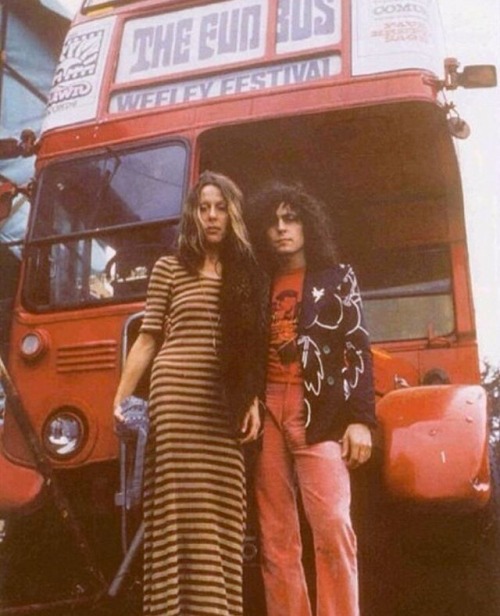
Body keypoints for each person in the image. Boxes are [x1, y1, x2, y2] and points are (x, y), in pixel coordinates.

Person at [113, 171, 267, 616]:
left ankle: (216, 608)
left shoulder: (249, 273)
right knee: (177, 506)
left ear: (233, 213)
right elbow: (147, 338)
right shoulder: (169, 267)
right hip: (175, 395)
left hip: (224, 405)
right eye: (204, 208)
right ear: (193, 215)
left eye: (221, 207)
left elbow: (254, 347)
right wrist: (120, 400)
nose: (212, 216)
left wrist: (252, 399)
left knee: (223, 505)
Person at [246, 181, 377, 616]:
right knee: (276, 534)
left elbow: (356, 347)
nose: (281, 229)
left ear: (307, 224)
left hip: (317, 409)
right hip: (266, 407)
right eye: (273, 222)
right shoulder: (257, 284)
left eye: (291, 219)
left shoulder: (337, 277)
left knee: (333, 525)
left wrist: (361, 420)